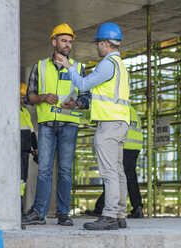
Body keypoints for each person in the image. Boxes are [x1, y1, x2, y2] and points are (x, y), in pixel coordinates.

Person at [56, 22, 130, 230]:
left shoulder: (107, 64)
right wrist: (80, 105)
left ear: (105, 43)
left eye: (98, 43)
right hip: (119, 121)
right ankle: (119, 215)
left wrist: (69, 67)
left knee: (109, 172)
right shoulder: (120, 66)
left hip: (109, 124)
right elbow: (104, 97)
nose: (97, 47)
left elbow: (83, 85)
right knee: (117, 171)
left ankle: (108, 216)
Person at [21, 23, 90, 226]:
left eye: (70, 41)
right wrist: (42, 97)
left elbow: (86, 97)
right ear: (54, 42)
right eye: (64, 41)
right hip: (47, 125)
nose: (68, 45)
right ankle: (38, 213)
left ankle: (63, 214)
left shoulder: (77, 67)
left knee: (65, 171)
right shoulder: (40, 66)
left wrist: (76, 103)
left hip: (69, 124)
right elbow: (28, 97)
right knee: (44, 170)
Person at [85, 104, 144, 219]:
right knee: (130, 178)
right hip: (135, 146)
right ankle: (137, 207)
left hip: (122, 145)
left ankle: (102, 208)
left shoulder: (118, 107)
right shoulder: (133, 110)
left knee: (112, 175)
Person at [20, 83, 38, 214]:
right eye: (20, 97)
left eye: (23, 97)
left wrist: (35, 148)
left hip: (25, 150)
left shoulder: (25, 112)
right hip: (15, 151)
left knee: (23, 180)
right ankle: (17, 208)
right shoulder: (11, 112)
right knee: (18, 179)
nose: (22, 100)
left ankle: (19, 207)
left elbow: (31, 131)